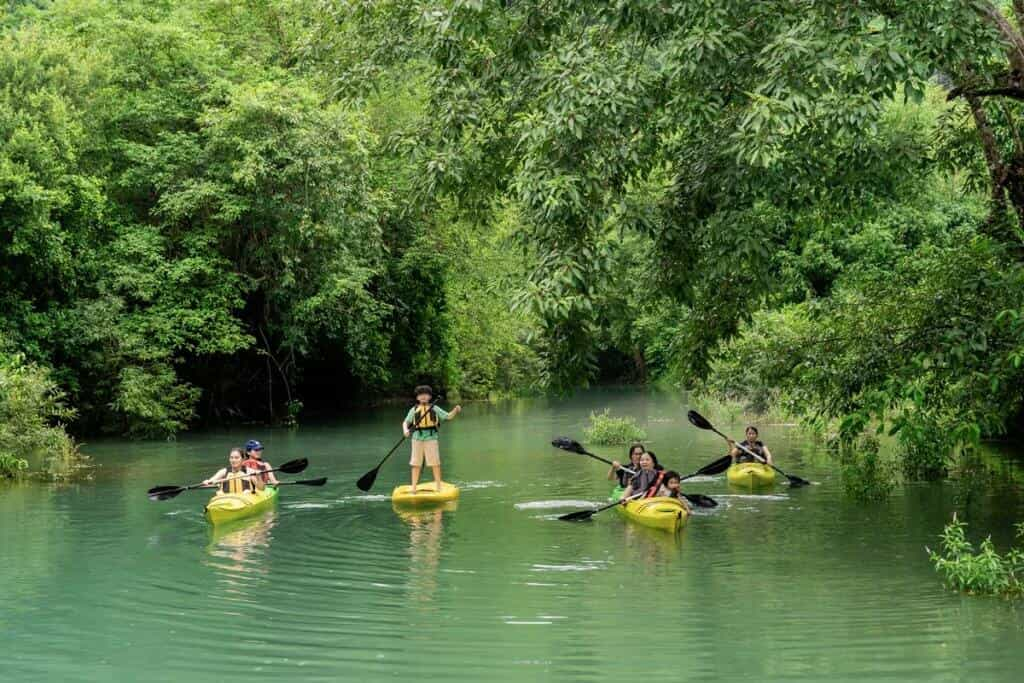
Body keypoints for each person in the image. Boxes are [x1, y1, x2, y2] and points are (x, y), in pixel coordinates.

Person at [403, 385, 462, 494]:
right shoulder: (414, 409)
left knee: (435, 463)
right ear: (417, 397)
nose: (423, 396)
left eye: (426, 394)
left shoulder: (434, 408)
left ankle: (438, 486)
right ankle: (414, 488)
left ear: (430, 397)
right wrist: (405, 430)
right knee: (415, 464)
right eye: (421, 394)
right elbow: (406, 422)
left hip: (431, 438)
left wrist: (455, 410)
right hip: (417, 439)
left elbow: (448, 416)